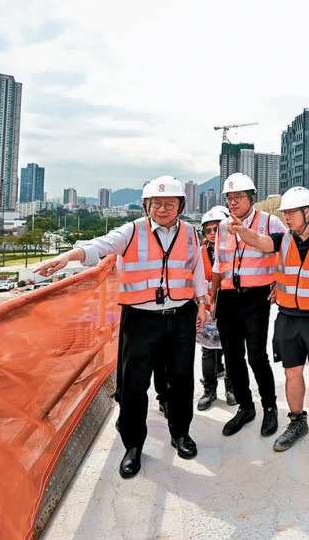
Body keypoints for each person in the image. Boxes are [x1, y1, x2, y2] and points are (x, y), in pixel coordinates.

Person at [34, 176, 206, 479]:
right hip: (140, 320)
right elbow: (100, 245)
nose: (162, 209)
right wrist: (67, 257)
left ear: (181, 206)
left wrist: (203, 304)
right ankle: (133, 446)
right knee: (133, 385)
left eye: (169, 203)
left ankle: (180, 434)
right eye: (156, 203)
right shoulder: (133, 231)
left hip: (180, 316)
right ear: (146, 205)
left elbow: (197, 273)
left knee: (181, 381)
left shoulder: (192, 233)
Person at [227, 186, 309, 464]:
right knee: (292, 374)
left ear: (308, 213)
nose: (287, 218)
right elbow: (258, 241)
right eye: (285, 214)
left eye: (292, 213)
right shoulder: (282, 239)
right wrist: (241, 230)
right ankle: (297, 421)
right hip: (288, 317)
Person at [211, 173, 285, 439]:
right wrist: (212, 297)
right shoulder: (222, 227)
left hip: (256, 297)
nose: (233, 202)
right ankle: (245, 407)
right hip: (228, 298)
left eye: (239, 197)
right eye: (229, 198)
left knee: (256, 354)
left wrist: (280, 281)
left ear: (252, 198)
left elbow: (287, 253)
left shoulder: (270, 222)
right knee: (232, 356)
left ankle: (269, 406)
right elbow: (219, 265)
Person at [196, 207, 236, 412]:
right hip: (208, 307)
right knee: (208, 350)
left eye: (216, 228)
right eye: (208, 230)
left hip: (230, 305)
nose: (212, 233)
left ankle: (232, 388)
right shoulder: (200, 253)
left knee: (231, 349)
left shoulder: (235, 250)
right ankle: (209, 390)